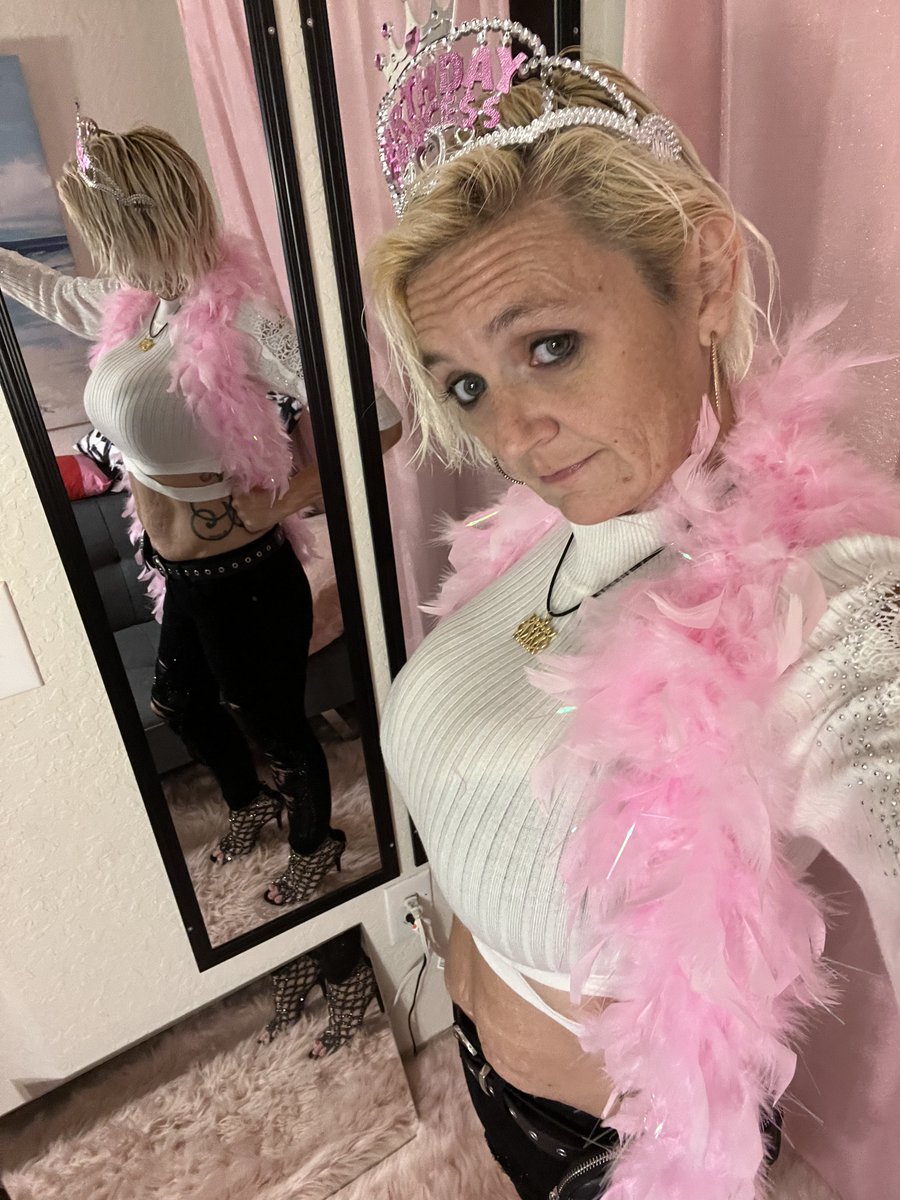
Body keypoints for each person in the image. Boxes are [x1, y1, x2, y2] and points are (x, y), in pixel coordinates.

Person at [370, 18, 900, 1200]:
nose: (510, 437)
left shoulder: (827, 602)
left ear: (705, 279)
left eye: (551, 344)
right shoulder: (542, 531)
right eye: (468, 384)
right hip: (483, 1071)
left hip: (611, 1156)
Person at [0, 115, 399, 928]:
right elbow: (46, 291)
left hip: (245, 573)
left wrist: (286, 497)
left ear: (141, 221)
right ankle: (248, 800)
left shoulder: (246, 322)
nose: (98, 249)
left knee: (274, 724)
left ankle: (317, 841)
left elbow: (380, 418)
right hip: (177, 567)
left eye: (103, 230)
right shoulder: (134, 307)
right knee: (179, 699)